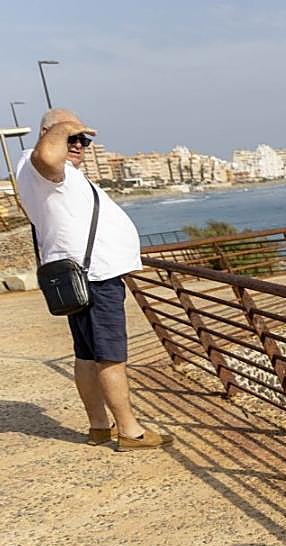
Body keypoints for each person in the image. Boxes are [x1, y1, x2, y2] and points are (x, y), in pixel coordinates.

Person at [16, 108, 171, 451]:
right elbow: (46, 155)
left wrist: (67, 130)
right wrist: (67, 126)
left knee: (87, 355)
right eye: (70, 137)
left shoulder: (43, 174)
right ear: (46, 133)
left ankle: (99, 426)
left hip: (79, 275)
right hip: (95, 277)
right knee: (110, 356)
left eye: (82, 140)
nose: (78, 144)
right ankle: (130, 432)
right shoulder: (40, 165)